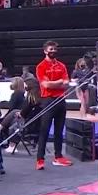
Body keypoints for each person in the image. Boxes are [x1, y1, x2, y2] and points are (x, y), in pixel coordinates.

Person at [35, 41, 73, 170]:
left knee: (59, 130)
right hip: (47, 100)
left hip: (61, 100)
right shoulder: (41, 66)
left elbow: (67, 83)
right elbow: (45, 85)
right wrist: (60, 82)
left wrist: (56, 83)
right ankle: (40, 159)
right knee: (44, 130)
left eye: (55, 49)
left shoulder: (61, 65)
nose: (53, 51)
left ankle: (58, 156)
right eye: (51, 49)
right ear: (45, 51)